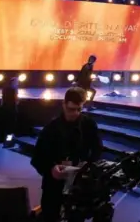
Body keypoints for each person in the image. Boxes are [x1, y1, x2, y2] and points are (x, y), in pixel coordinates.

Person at [31, 87, 103, 222]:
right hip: (54, 185)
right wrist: (51, 169)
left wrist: (87, 166)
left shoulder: (89, 124)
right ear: (63, 104)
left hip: (79, 184)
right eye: (71, 109)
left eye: (79, 109)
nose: (75, 113)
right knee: (50, 216)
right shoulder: (51, 128)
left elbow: (97, 149)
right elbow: (37, 157)